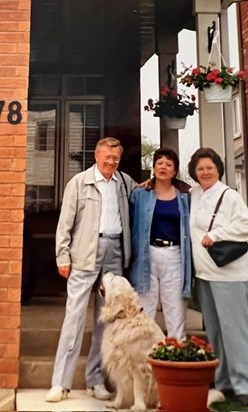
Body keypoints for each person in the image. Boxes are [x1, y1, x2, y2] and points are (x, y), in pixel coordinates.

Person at [46, 137, 137, 402]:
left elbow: (144, 194)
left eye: (115, 158)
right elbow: (65, 224)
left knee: (105, 321)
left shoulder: (124, 183)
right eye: (107, 157)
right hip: (84, 254)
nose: (111, 162)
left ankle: (95, 380)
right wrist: (62, 256)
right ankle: (60, 383)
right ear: (96, 155)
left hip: (114, 253)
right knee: (73, 318)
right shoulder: (79, 182)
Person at [188, 147, 248, 407]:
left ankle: (245, 386)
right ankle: (223, 380)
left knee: (235, 331)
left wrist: (216, 235)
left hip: (230, 275)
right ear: (194, 172)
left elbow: (247, 225)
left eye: (209, 167)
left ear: (218, 169)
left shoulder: (229, 195)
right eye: (200, 168)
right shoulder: (195, 194)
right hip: (205, 275)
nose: (205, 172)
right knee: (215, 332)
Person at [128, 148, 191, 341]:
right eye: (160, 163)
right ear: (153, 167)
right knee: (144, 310)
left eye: (169, 164)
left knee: (175, 309)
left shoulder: (185, 196)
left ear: (174, 171)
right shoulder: (140, 194)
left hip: (174, 255)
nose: (163, 167)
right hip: (146, 255)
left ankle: (176, 357)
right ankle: (145, 359)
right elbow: (130, 224)